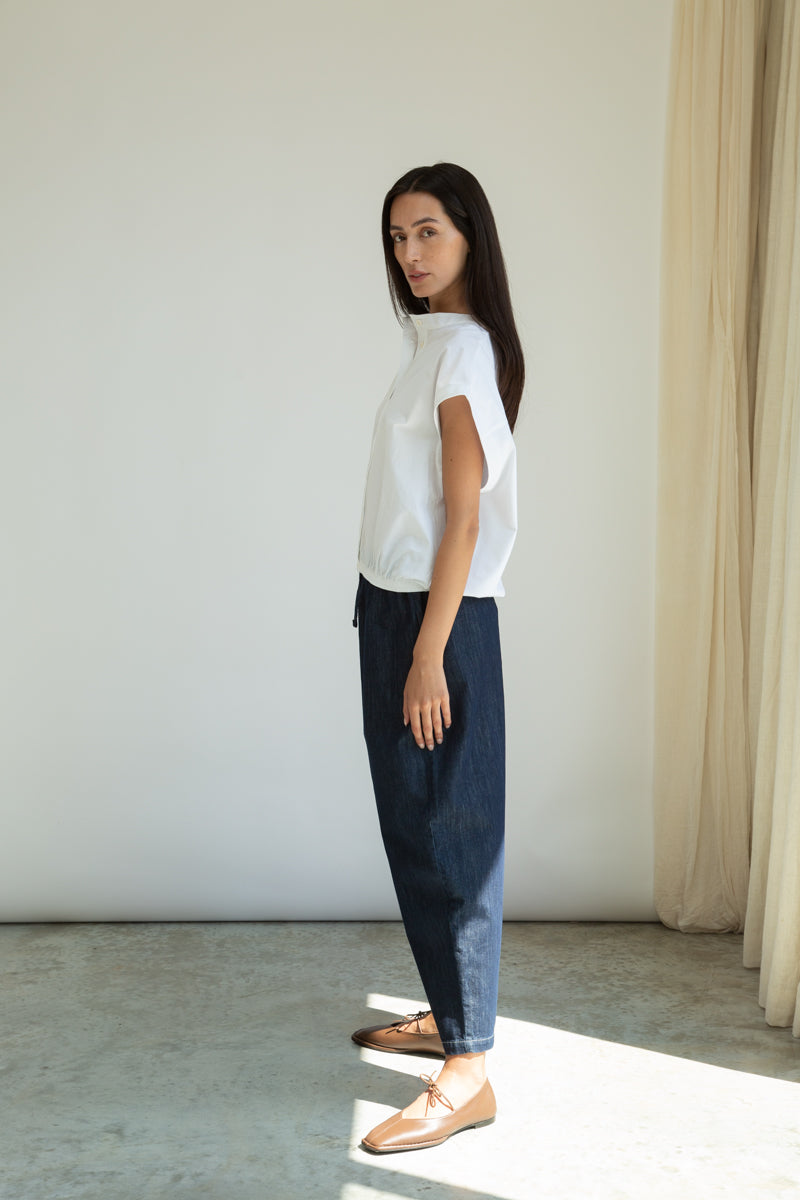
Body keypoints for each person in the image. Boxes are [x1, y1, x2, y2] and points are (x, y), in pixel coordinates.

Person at [351, 162, 524, 1154]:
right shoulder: (434, 347)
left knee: (452, 834)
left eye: (427, 232)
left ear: (468, 237)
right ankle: (450, 1014)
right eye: (396, 237)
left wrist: (426, 653)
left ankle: (468, 1073)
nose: (409, 254)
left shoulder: (461, 353)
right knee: (413, 826)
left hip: (434, 620)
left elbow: (463, 520)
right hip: (394, 608)